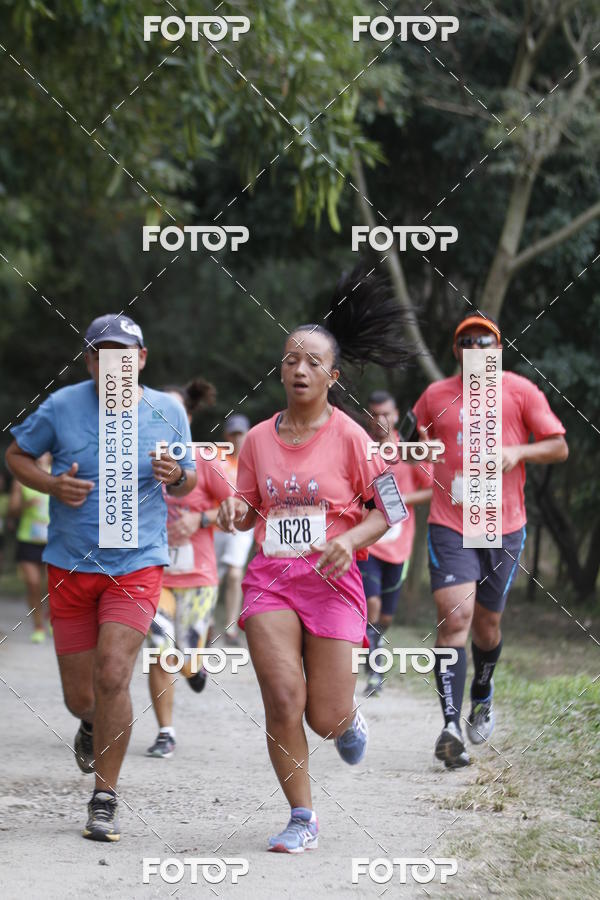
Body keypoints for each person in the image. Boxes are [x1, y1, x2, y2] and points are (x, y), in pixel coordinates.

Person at [217, 264, 415, 853]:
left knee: (324, 717)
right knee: (283, 698)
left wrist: (350, 540)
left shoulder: (353, 437)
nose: (299, 370)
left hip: (333, 582)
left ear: (332, 374)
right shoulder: (257, 439)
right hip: (271, 581)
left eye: (311, 362)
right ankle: (302, 818)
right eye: (290, 360)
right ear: (281, 370)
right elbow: (247, 510)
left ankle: (349, 721)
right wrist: (234, 511)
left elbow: (391, 510)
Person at [5, 314, 196, 842]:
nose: (113, 363)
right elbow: (16, 455)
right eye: (102, 353)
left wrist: (176, 475)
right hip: (70, 564)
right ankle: (90, 723)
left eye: (124, 354)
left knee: (113, 675)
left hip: (137, 565)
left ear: (141, 359)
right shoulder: (61, 407)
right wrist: (51, 485)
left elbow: (189, 480)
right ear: (89, 361)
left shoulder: (168, 410)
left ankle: (104, 798)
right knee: (81, 698)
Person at [413, 312, 568, 768]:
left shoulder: (520, 391)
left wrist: (518, 451)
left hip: (502, 525)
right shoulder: (435, 395)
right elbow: (413, 437)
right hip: (450, 522)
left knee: (486, 626)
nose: (476, 348)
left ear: (498, 351)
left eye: (485, 342)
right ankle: (449, 726)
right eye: (467, 342)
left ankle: (482, 689)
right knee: (454, 618)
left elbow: (559, 445)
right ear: (456, 351)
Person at [146, 378, 233, 758]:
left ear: (187, 417)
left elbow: (239, 508)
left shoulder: (206, 460)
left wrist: (200, 519)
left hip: (199, 578)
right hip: (154, 574)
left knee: (183, 655)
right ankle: (165, 732)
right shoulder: (140, 458)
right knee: (158, 648)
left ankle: (194, 668)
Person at [359, 392, 432, 695]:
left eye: (386, 414)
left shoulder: (409, 451)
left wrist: (400, 499)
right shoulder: (360, 448)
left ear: (397, 414)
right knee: (372, 604)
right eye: (374, 414)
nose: (380, 420)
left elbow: (431, 489)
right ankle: (374, 671)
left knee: (385, 615)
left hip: (398, 545)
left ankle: (372, 643)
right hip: (367, 542)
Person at [213, 415, 254, 645]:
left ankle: (230, 629)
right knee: (213, 577)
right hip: (216, 524)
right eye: (233, 434)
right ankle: (205, 624)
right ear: (226, 436)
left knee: (235, 573)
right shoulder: (217, 457)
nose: (237, 439)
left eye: (241, 433)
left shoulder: (253, 460)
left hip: (241, 526)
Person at [8, 453, 52, 642]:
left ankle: (51, 617)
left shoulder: (58, 474)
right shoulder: (22, 477)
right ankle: (38, 626)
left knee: (52, 586)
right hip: (28, 540)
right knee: (33, 584)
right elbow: (11, 511)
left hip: (52, 540)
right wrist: (25, 505)